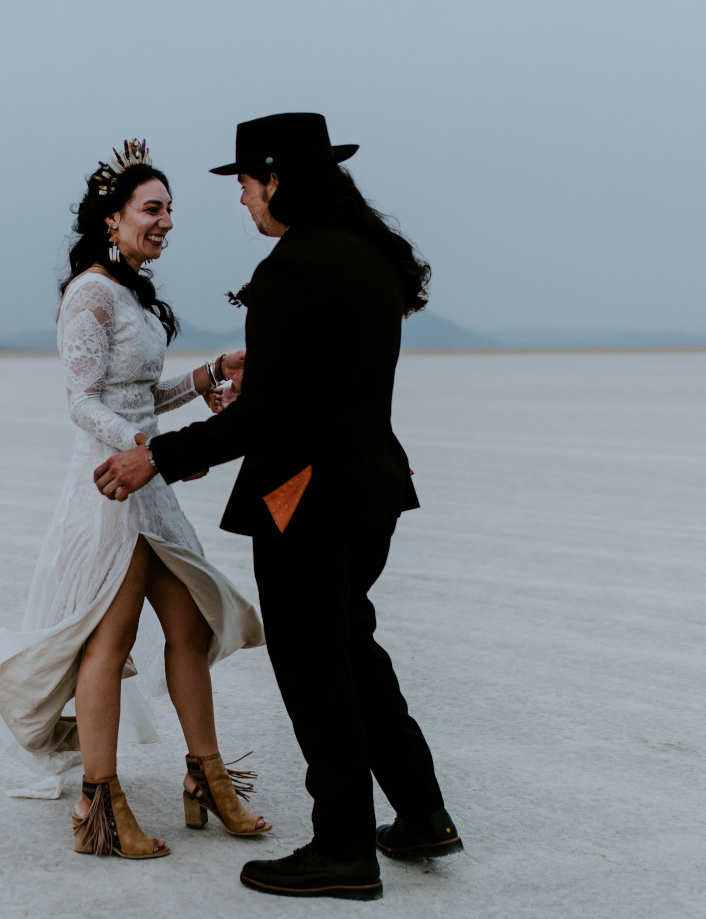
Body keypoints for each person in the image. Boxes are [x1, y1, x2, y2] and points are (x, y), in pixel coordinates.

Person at [94, 114, 462, 898]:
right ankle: (423, 813)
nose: (242, 200)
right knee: (354, 651)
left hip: (307, 500)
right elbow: (315, 388)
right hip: (372, 489)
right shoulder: (368, 256)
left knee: (316, 667)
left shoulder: (296, 268)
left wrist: (157, 456)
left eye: (247, 184)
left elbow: (269, 416)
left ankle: (343, 849)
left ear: (279, 178)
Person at [0, 140, 269, 860]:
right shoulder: (91, 293)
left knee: (189, 628)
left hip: (145, 476)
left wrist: (207, 375)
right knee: (108, 642)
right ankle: (97, 806)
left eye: (171, 210)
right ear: (113, 217)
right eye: (152, 209)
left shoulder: (133, 291)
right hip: (110, 484)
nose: (166, 222)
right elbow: (83, 402)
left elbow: (137, 391)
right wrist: (144, 447)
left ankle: (207, 777)